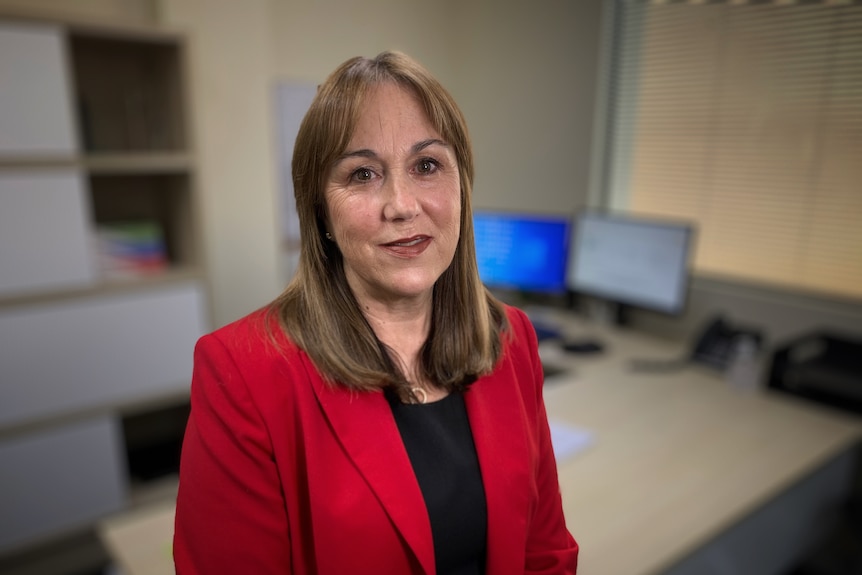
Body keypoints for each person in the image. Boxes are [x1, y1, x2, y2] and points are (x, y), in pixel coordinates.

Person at [173, 50, 578, 574]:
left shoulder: (512, 338)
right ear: (319, 210)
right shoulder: (242, 372)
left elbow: (544, 552)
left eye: (426, 166)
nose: (402, 205)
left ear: (461, 187)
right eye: (363, 174)